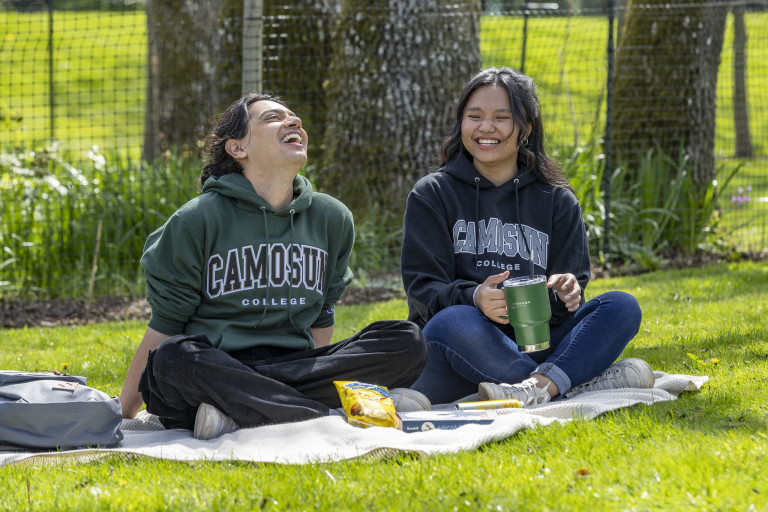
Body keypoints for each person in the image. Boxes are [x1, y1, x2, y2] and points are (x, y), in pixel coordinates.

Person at [120, 92, 428, 439]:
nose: (293, 122)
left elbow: (322, 317)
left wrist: (320, 369)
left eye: (294, 116)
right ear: (238, 148)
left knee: (407, 339)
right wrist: (123, 411)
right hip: (216, 364)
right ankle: (331, 413)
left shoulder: (331, 218)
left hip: (292, 365)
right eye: (272, 118)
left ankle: (242, 412)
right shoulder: (196, 220)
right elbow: (167, 324)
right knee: (172, 358)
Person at [400, 67, 653, 407]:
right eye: (474, 116)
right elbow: (424, 290)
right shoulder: (432, 194)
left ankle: (533, 388)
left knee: (621, 306)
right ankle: (567, 384)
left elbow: (566, 300)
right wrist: (476, 297)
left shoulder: (557, 201)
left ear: (526, 128)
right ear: (461, 123)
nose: (485, 127)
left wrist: (566, 291)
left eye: (501, 118)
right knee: (452, 321)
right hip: (458, 348)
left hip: (535, 340)